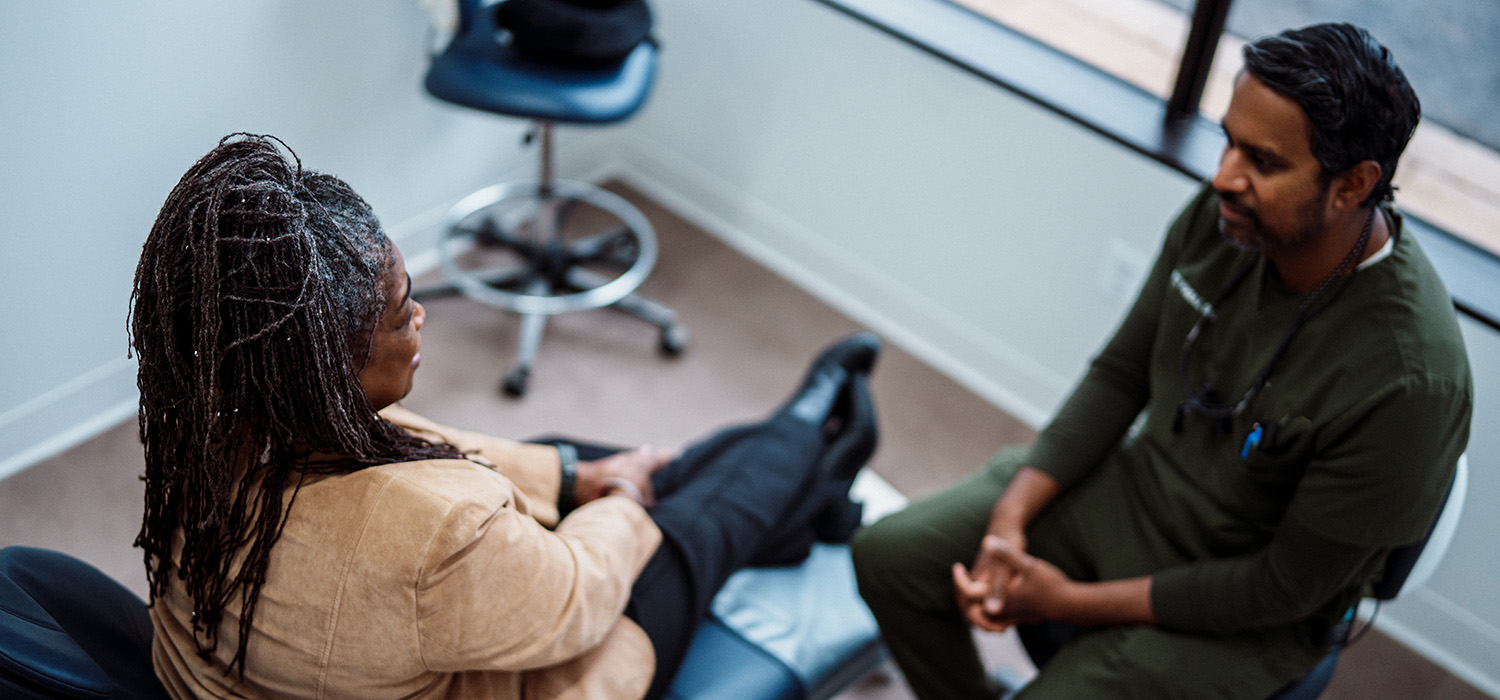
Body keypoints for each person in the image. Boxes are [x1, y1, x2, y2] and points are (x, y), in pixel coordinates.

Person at [130, 133, 881, 700]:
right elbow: (579, 595)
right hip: (543, 671)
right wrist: (622, 501)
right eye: (399, 316)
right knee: (693, 525)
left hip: (362, 634)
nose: (421, 317)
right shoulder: (436, 533)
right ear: (324, 370)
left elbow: (419, 450)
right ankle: (820, 425)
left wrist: (573, 475)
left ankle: (811, 501)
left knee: (559, 451)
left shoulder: (206, 426)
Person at [852, 22, 1472, 700]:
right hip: (1137, 493)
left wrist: (1064, 602)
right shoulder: (1226, 218)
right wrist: (1010, 521)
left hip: (1248, 607)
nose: (1223, 177)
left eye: (1263, 162)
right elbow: (1120, 374)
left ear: (1353, 184)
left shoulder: (1409, 382)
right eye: (1228, 140)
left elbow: (1281, 588)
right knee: (891, 557)